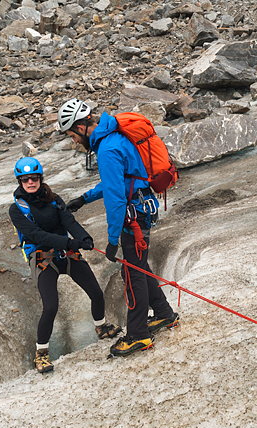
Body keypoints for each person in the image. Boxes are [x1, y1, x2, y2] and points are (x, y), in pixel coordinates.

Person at [57, 98, 179, 357]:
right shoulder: (113, 139)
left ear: (80, 127)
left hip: (133, 218)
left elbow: (115, 197)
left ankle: (138, 335)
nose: (75, 142)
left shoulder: (107, 149)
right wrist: (85, 198)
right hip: (143, 209)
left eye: (72, 135)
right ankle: (164, 314)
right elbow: (121, 180)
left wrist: (112, 240)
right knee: (139, 267)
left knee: (131, 275)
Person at [9, 156, 121, 373]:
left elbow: (69, 221)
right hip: (42, 258)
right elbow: (36, 235)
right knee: (51, 306)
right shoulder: (16, 210)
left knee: (96, 293)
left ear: (40, 178)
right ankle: (41, 354)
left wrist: (85, 238)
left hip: (66, 252)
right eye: (25, 180)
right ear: (19, 182)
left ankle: (102, 327)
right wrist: (69, 242)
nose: (30, 183)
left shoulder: (54, 199)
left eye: (33, 178)